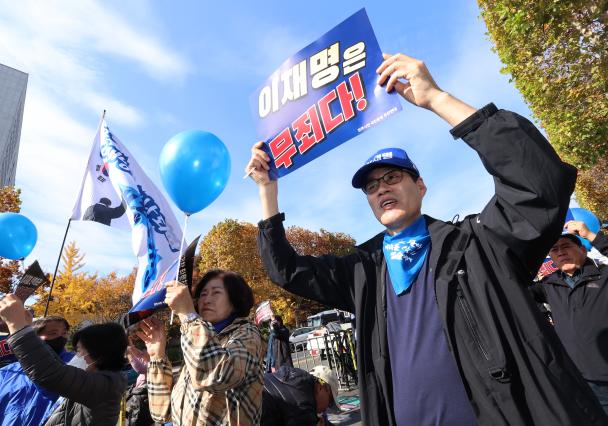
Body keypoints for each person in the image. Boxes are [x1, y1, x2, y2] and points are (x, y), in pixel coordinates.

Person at [246, 52, 607, 425]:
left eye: (392, 178)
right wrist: (267, 193)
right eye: (371, 186)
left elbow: (539, 181)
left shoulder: (476, 244)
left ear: (420, 186)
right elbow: (286, 269)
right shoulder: (363, 270)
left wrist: (437, 98)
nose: (381, 189)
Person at [138, 269, 264, 426]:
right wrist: (157, 357)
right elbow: (162, 414)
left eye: (216, 293)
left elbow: (216, 377)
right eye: (203, 294)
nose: (207, 300)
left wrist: (188, 316)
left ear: (235, 301)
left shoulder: (246, 333)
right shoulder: (198, 341)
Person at [0, 294, 128, 426]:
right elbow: (53, 365)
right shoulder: (96, 379)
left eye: (80, 350)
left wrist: (17, 326)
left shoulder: (107, 385)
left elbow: (51, 373)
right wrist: (28, 329)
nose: (77, 355)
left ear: (99, 353)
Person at [530, 220, 608, 413]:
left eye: (566, 246)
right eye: (554, 250)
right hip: (586, 382)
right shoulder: (548, 285)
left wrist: (590, 235)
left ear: (583, 249)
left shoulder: (604, 274)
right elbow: (516, 287)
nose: (560, 252)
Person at [0, 315, 73, 425]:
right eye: (53, 333)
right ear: (33, 336)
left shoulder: (78, 366)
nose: (61, 338)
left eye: (64, 333)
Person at [262, 365, 338, 426]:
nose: (326, 409)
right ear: (321, 387)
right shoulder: (304, 404)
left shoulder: (296, 379)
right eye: (330, 402)